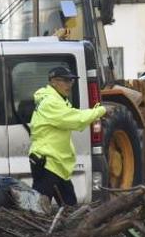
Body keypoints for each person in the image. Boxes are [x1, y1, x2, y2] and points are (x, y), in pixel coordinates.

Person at [29, 66, 106, 206]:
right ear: (53, 82)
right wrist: (100, 110)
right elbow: (76, 119)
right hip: (48, 163)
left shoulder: (59, 100)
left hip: (57, 165)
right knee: (38, 210)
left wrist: (94, 114)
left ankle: (70, 228)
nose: (69, 84)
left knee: (69, 207)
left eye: (71, 81)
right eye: (65, 80)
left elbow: (74, 118)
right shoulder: (50, 102)